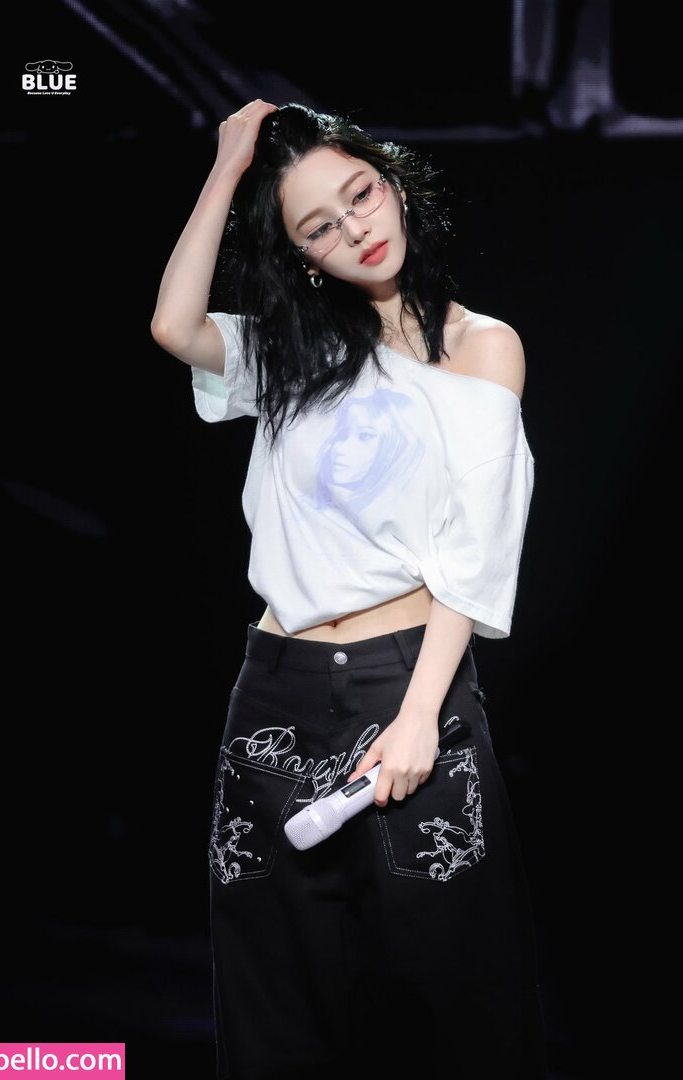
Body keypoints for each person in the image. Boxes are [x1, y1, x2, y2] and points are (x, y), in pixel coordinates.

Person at [151, 99, 548, 1080]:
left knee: (456, 1001)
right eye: (319, 227)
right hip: (275, 692)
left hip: (408, 686)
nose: (356, 228)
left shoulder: (481, 347)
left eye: (360, 194)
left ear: (393, 181)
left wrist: (419, 719)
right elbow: (173, 325)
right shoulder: (294, 352)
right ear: (304, 258)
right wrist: (229, 165)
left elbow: (474, 550)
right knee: (273, 1008)